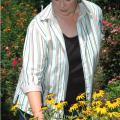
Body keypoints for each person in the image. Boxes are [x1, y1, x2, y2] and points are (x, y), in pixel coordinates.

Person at [13, 0, 104, 119]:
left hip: (79, 108)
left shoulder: (94, 14)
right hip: (39, 109)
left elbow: (96, 46)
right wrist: (38, 115)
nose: (61, 5)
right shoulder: (39, 25)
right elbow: (32, 78)